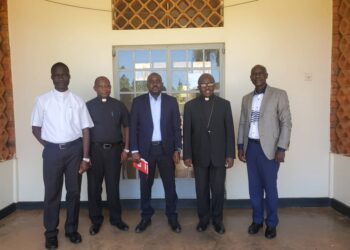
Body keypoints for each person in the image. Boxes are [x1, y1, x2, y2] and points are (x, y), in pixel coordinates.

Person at [31, 62, 94, 249]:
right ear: (51, 77)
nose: (60, 78)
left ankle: (71, 229)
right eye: (56, 75)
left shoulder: (78, 101)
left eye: (64, 74)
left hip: (75, 151)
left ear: (69, 76)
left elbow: (85, 131)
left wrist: (85, 157)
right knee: (52, 193)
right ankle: (51, 233)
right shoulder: (42, 100)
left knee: (74, 192)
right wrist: (50, 145)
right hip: (51, 152)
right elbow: (35, 128)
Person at [237, 64, 292, 239]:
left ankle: (272, 223)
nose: (257, 76)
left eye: (260, 73)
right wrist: (240, 146)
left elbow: (286, 123)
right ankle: (257, 221)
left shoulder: (279, 94)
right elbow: (243, 123)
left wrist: (281, 148)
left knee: (270, 188)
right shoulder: (246, 98)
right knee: (254, 189)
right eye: (254, 74)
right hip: (251, 147)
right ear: (251, 77)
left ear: (266, 75)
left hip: (270, 149)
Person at [183, 73, 235, 234]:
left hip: (219, 155)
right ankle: (203, 219)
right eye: (203, 84)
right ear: (198, 87)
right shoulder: (190, 106)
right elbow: (187, 132)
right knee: (201, 190)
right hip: (199, 156)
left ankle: (218, 220)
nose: (207, 86)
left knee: (218, 190)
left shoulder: (224, 104)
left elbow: (229, 131)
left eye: (210, 83)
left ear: (214, 86)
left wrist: (230, 154)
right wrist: (187, 155)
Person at [130, 72, 182, 233]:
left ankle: (172, 216)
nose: (155, 84)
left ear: (162, 84)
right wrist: (134, 150)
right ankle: (146, 216)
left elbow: (176, 127)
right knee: (145, 185)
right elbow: (133, 128)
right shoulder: (138, 102)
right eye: (151, 81)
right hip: (145, 152)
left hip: (166, 151)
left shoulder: (171, 102)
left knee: (170, 185)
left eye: (157, 81)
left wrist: (177, 149)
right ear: (147, 84)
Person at [86, 76, 130, 235]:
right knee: (94, 188)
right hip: (94, 151)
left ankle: (116, 219)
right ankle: (96, 220)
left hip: (114, 151)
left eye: (107, 86)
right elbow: (83, 131)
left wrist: (126, 149)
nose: (105, 89)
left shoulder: (118, 105)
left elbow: (127, 126)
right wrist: (85, 156)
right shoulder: (87, 106)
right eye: (101, 86)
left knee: (113, 187)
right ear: (95, 88)